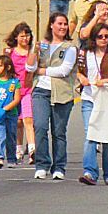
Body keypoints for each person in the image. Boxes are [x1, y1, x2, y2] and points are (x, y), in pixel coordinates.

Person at [26, 13, 78, 180]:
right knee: (40, 127)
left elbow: (63, 70)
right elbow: (29, 66)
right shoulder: (43, 45)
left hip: (61, 93)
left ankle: (59, 166)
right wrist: (34, 50)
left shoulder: (70, 47)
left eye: (65, 24)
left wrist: (41, 71)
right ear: (51, 25)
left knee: (59, 132)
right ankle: (41, 164)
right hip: (40, 91)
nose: (62, 27)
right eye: (59, 24)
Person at [77, 23, 108, 185]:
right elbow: (78, 71)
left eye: (106, 36)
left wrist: (106, 81)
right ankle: (90, 172)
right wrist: (81, 78)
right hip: (89, 99)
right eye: (100, 36)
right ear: (94, 38)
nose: (104, 39)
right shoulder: (85, 54)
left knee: (107, 136)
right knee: (90, 134)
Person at [5, 22, 35, 163]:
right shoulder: (11, 52)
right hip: (15, 90)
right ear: (16, 37)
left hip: (29, 89)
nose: (25, 39)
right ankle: (18, 148)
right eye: (22, 36)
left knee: (28, 119)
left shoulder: (33, 51)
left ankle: (32, 149)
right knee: (17, 122)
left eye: (27, 35)